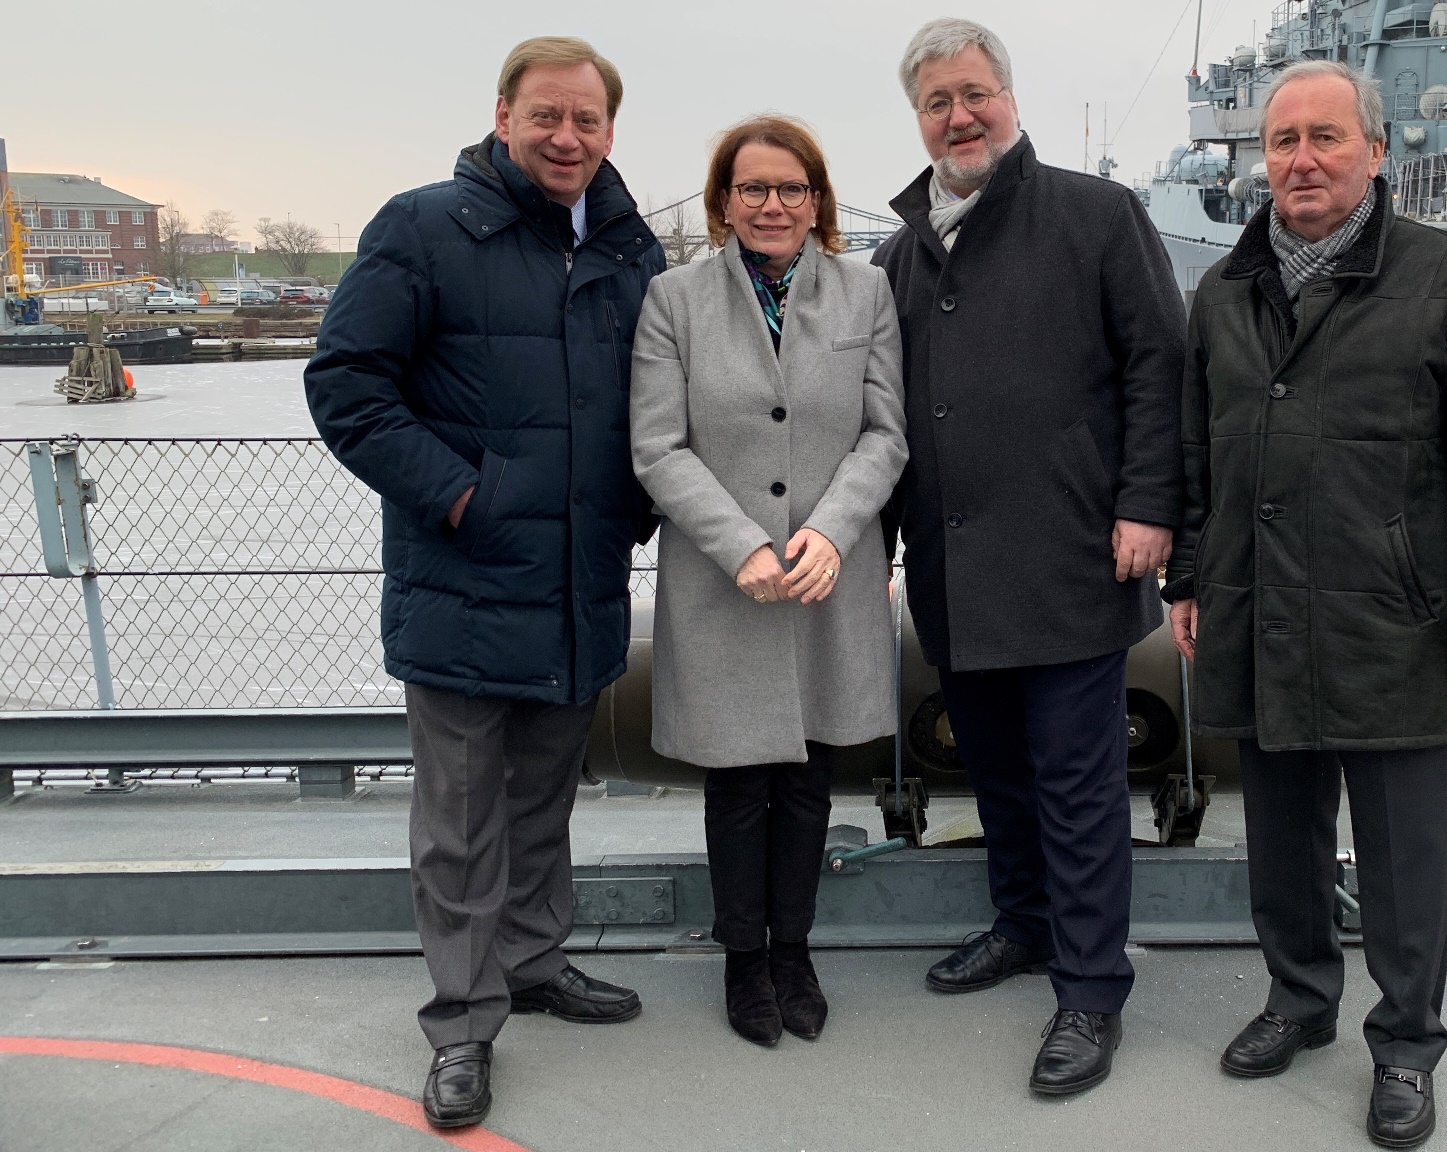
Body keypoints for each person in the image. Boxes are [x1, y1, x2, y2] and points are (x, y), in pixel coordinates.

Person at [1164, 60, 1447, 1149]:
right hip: (1260, 609)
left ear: (1376, 153)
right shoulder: (1226, 291)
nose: (1302, 160)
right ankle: (1297, 1001)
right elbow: (1198, 457)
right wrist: (1187, 578)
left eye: (1326, 138)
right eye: (1284, 142)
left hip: (1399, 621)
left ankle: (1409, 1046)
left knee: (1404, 857)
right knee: (1281, 838)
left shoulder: (1443, 278)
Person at [303, 36, 664, 1130]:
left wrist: (633, 511)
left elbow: (650, 406)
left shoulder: (627, 249)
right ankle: (462, 1022)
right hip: (464, 580)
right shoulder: (421, 228)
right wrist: (460, 496)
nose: (568, 139)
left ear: (610, 132)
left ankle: (536, 962)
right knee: (459, 820)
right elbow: (347, 386)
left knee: (545, 799)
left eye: (588, 122)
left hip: (576, 583)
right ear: (502, 115)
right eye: (547, 116)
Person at [873, 18, 1186, 1096]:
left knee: (1079, 784)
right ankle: (1023, 924)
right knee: (995, 770)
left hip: (1071, 560)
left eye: (974, 95)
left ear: (1009, 98)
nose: (959, 117)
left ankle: (1091, 990)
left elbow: (1160, 365)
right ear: (917, 120)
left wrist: (1150, 504)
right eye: (937, 103)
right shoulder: (898, 253)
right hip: (952, 569)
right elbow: (881, 419)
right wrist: (870, 543)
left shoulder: (1099, 217)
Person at [630, 116, 907, 1048]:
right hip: (726, 578)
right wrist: (741, 543)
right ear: (722, 203)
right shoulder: (674, 299)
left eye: (793, 189)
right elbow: (657, 444)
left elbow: (886, 432)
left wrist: (831, 531)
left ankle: (796, 950)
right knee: (738, 781)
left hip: (829, 570)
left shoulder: (865, 291)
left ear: (819, 200)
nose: (774, 205)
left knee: (809, 778)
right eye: (753, 189)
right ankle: (743, 959)